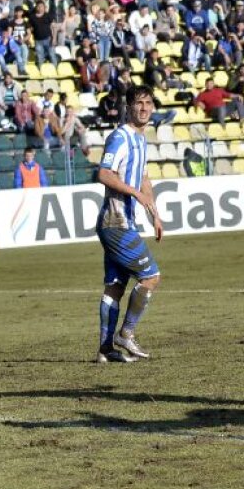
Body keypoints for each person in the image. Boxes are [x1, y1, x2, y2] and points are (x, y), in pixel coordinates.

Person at [96, 85, 164, 364]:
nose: (144, 108)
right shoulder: (120, 137)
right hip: (116, 222)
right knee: (151, 276)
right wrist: (133, 192)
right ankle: (127, 333)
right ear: (129, 107)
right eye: (139, 103)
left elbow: (144, 178)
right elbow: (103, 173)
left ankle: (105, 350)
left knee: (115, 285)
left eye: (148, 103)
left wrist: (154, 212)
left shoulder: (141, 139)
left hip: (125, 221)